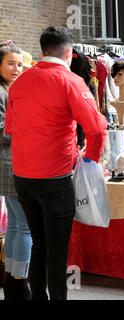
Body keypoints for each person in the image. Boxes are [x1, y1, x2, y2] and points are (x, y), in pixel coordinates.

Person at [5, 26, 107, 300]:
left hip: (23, 176)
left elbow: (11, 129)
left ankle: (38, 296)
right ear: (70, 53)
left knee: (39, 243)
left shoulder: (19, 82)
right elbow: (97, 129)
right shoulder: (71, 81)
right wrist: (90, 162)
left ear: (41, 52)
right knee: (57, 250)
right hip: (55, 177)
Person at [0, 41, 32, 300]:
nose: (16, 68)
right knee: (24, 225)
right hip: (9, 163)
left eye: (20, 64)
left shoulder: (11, 89)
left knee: (15, 224)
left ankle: (13, 279)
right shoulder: (1, 92)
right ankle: (19, 283)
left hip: (11, 161)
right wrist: (29, 127)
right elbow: (2, 130)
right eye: (10, 63)